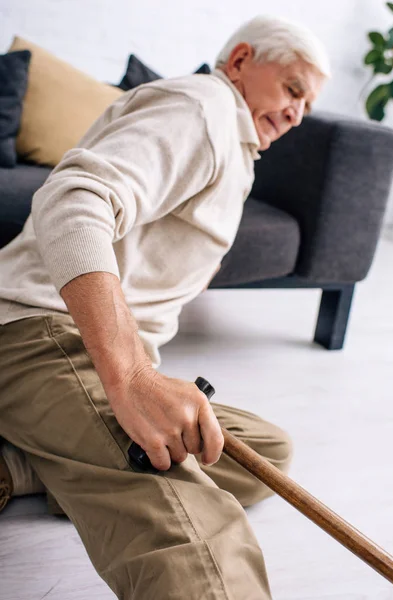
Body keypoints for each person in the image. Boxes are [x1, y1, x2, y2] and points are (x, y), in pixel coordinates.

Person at [0, 14, 330, 599]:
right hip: (38, 331)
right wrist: (128, 375)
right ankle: (56, 433)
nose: (296, 113)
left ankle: (24, 458)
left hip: (61, 344)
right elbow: (72, 200)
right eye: (292, 89)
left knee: (266, 453)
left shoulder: (230, 139)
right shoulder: (202, 109)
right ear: (240, 62)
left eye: (307, 104)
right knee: (198, 543)